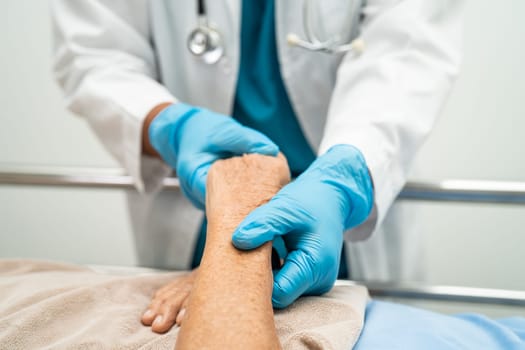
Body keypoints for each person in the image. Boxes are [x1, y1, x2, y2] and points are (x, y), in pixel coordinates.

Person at [51, 0, 463, 308]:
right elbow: (93, 54)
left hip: (342, 219)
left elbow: (408, 52)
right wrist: (168, 125)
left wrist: (345, 176)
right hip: (197, 222)